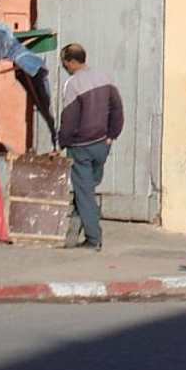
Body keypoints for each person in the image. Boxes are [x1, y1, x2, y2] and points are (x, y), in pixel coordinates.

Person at [58, 43, 124, 252]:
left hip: (81, 146)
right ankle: (72, 234)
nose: (63, 66)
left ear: (69, 61)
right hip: (101, 145)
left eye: (63, 62)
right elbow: (117, 109)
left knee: (84, 192)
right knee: (86, 188)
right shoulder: (105, 77)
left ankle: (94, 239)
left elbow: (68, 118)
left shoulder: (73, 84)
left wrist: (62, 143)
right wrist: (111, 135)